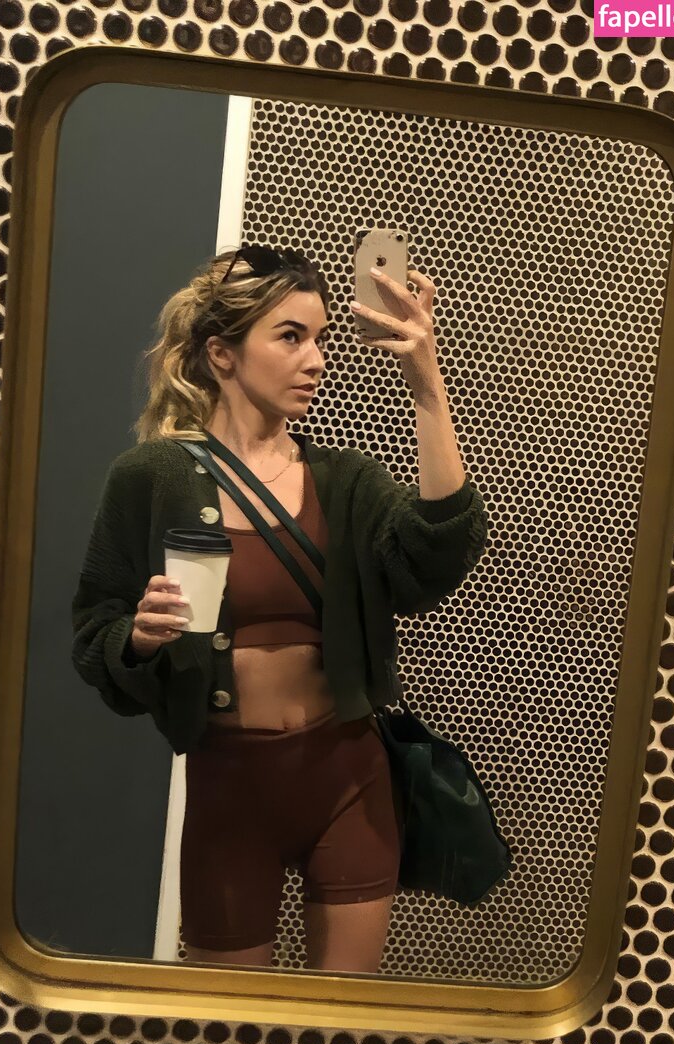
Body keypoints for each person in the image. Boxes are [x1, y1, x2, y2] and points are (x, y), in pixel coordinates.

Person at [71, 244, 489, 974]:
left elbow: (438, 555)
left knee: (341, 1022)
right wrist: (137, 638)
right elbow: (94, 630)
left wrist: (427, 386)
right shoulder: (151, 476)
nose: (316, 359)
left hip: (349, 779)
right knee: (227, 1026)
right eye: (291, 337)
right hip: (229, 787)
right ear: (222, 354)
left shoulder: (346, 479)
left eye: (320, 338)